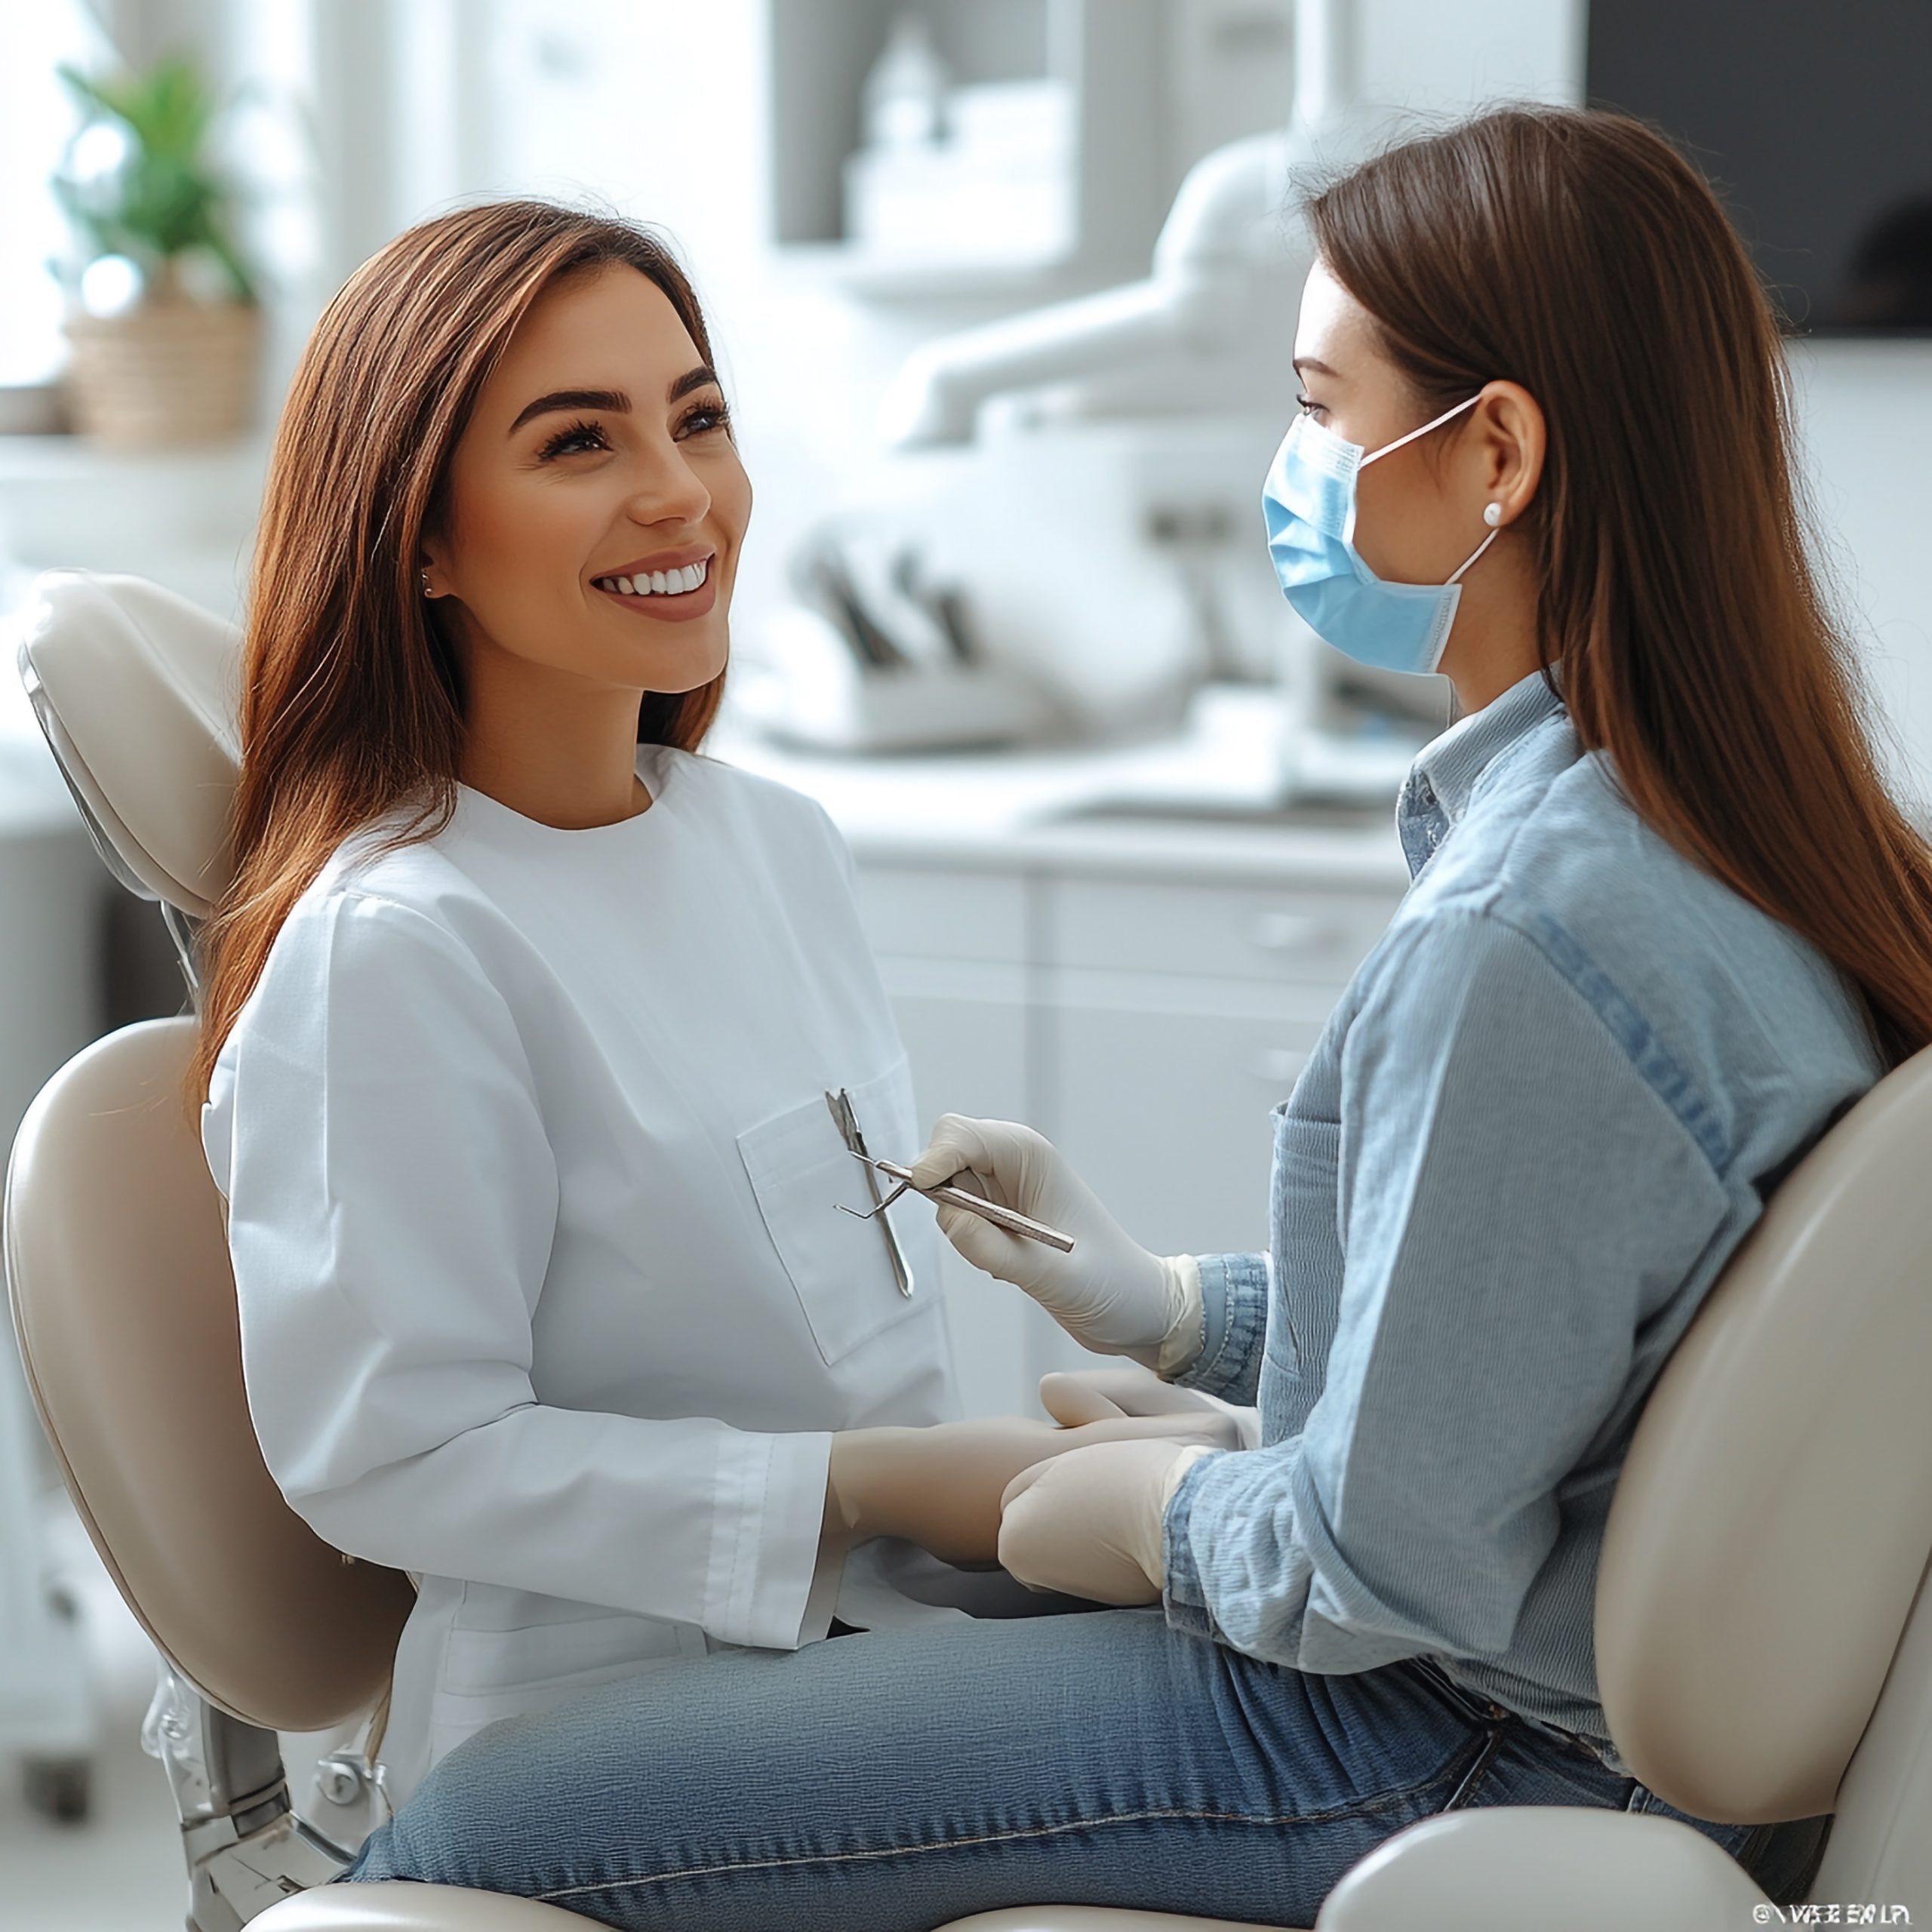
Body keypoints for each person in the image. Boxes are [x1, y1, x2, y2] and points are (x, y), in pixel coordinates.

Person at [339, 105, 1927, 1925]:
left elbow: (1370, 1565)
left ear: (1492, 449)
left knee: (476, 1830)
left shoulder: (1530, 931)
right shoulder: (1732, 832)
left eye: (1321, 404)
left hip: (1433, 1727)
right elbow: (1533, 1339)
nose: (1291, 458)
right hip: (1530, 1690)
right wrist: (1180, 1316)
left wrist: (1156, 1513)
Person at [192, 199, 1240, 1809]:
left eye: (696, 417)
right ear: (420, 536)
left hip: (871, 1628)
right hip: (591, 1711)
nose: (678, 491)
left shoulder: (769, 841)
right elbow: (395, 1454)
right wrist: (884, 1482)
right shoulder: (400, 943)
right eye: (576, 443)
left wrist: (1047, 1456)